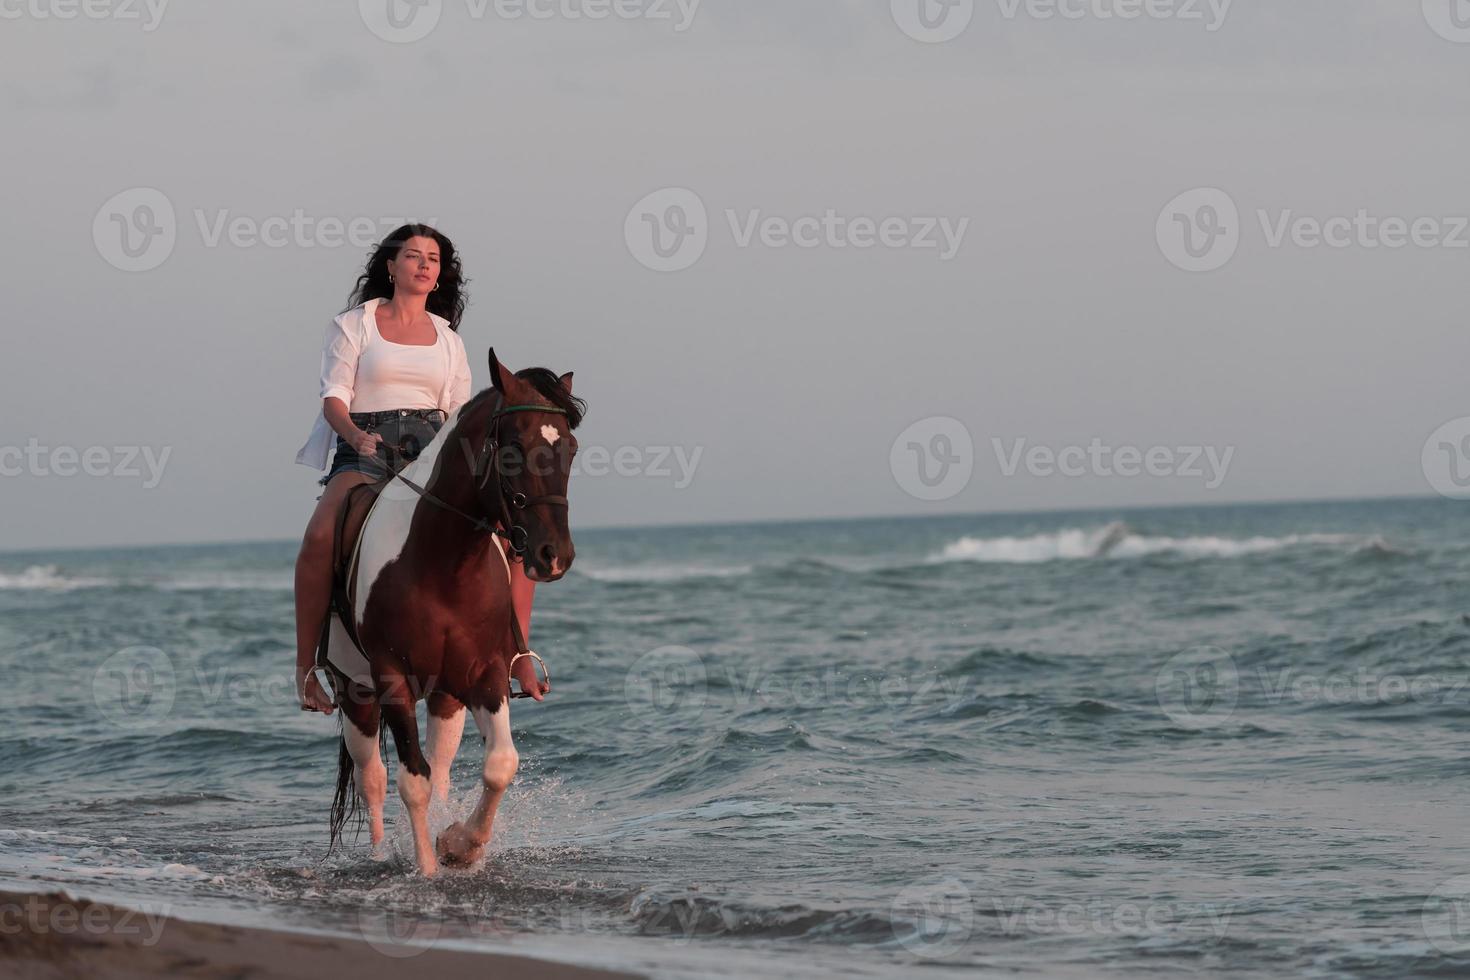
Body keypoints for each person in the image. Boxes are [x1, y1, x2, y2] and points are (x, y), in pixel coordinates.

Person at [291, 223, 549, 714]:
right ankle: (308, 670)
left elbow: (457, 411)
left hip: (433, 451)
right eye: (413, 255)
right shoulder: (354, 325)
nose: (425, 264)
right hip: (365, 449)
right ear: (391, 267)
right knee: (321, 537)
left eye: (433, 258)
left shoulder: (448, 339)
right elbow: (333, 400)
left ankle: (517, 655)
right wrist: (356, 438)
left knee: (510, 535)